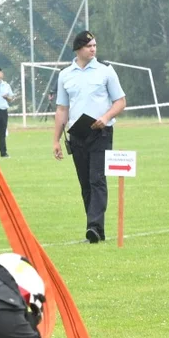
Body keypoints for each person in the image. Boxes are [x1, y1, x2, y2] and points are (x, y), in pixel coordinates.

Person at [52, 31, 126, 243]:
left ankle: (94, 226)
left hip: (100, 132)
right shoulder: (65, 75)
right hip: (78, 134)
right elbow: (62, 109)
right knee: (85, 183)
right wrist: (56, 139)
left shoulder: (106, 72)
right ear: (78, 49)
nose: (93, 49)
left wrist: (106, 117)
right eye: (89, 46)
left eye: (94, 45)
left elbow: (120, 101)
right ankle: (94, 228)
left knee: (97, 179)